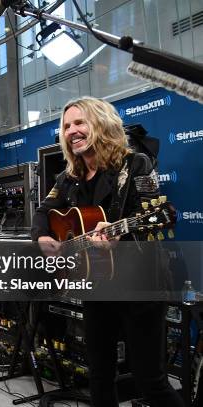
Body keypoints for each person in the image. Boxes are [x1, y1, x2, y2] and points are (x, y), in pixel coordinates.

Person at [31, 96, 183, 407]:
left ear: (101, 124)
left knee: (149, 380)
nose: (72, 130)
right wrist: (42, 236)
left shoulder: (136, 164)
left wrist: (118, 240)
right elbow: (43, 211)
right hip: (96, 285)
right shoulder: (68, 177)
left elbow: (153, 221)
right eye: (67, 125)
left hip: (139, 286)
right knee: (99, 375)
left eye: (80, 122)